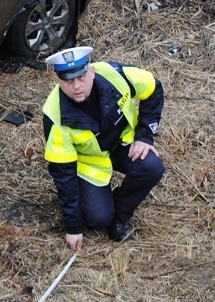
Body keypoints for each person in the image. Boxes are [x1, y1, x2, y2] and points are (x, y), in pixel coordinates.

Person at [41, 46, 164, 250]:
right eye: (68, 80)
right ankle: (102, 207)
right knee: (98, 219)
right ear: (58, 80)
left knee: (152, 167)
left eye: (81, 77)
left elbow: (153, 88)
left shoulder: (115, 74)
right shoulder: (54, 115)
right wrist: (73, 227)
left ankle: (121, 216)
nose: (77, 86)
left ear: (92, 71)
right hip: (89, 163)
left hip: (123, 144)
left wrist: (145, 136)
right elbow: (63, 174)